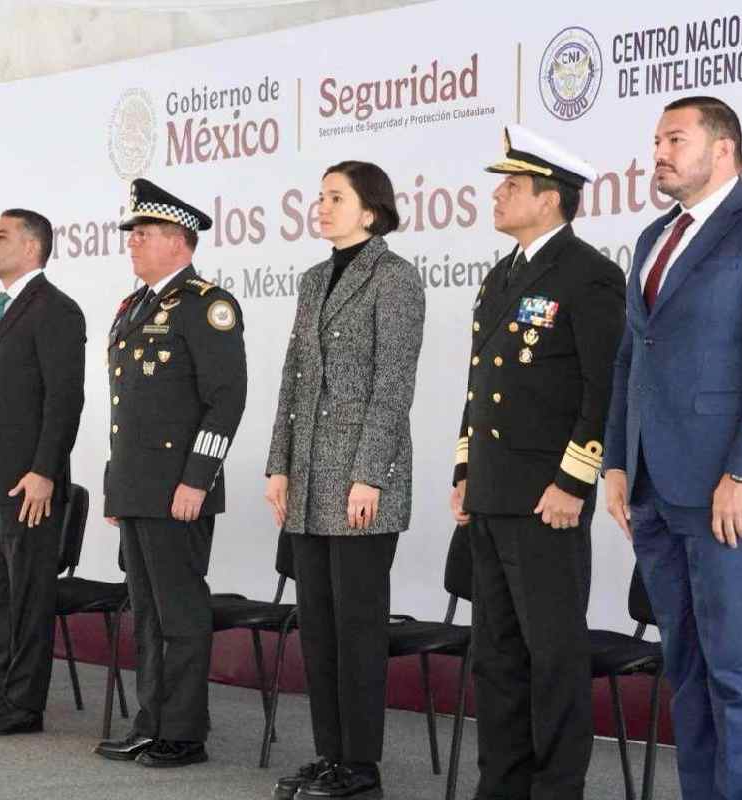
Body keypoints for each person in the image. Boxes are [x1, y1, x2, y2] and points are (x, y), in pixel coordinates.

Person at [603, 96, 742, 800]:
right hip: (653, 489)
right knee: (686, 670)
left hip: (726, 489)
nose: (658, 151)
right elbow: (631, 360)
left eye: (674, 138)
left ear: (723, 150)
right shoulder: (651, 239)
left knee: (735, 671)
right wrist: (614, 460)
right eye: (656, 139)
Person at [449, 125, 626, 800]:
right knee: (496, 654)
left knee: (553, 657)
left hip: (548, 496)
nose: (497, 195)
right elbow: (480, 385)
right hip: (494, 492)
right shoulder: (502, 275)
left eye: (512, 186)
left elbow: (602, 386)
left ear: (550, 199)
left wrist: (574, 479)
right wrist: (465, 472)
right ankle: (503, 785)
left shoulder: (589, 276)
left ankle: (556, 790)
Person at [264, 161, 425, 800]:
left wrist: (369, 476)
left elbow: (394, 385)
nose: (322, 206)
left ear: (371, 210)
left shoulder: (395, 279)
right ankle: (330, 755)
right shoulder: (312, 279)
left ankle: (362, 765)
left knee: (357, 630)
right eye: (320, 196)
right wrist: (279, 463)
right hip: (307, 480)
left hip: (362, 485)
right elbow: (293, 377)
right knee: (320, 628)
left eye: (336, 197)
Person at [94, 178, 247, 768]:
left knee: (179, 615)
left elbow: (225, 399)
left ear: (180, 241)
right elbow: (124, 410)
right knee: (147, 614)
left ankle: (183, 732)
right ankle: (150, 722)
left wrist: (198, 478)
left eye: (146, 233)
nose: (133, 242)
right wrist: (118, 487)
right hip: (138, 488)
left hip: (181, 490)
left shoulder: (206, 304)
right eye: (132, 232)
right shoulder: (134, 306)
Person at [0, 209, 85, 736]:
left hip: (29, 482)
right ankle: (0, 698)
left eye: (0, 236)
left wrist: (45, 470)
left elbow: (64, 398)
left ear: (31, 248)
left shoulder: (56, 309)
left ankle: (22, 705)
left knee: (27, 594)